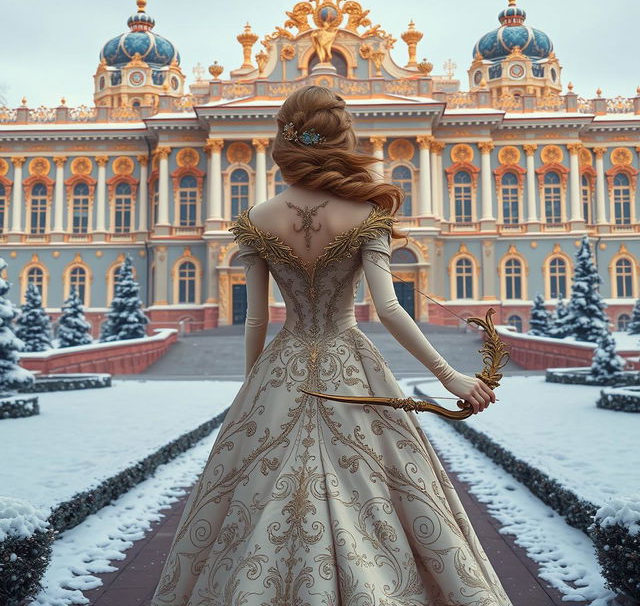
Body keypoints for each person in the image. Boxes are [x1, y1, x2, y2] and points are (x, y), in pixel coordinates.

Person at [150, 85, 511, 606]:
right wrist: (448, 375)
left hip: (283, 365)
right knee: (379, 489)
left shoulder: (255, 217)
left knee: (253, 497)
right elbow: (388, 310)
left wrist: (253, 389)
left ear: (284, 141)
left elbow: (256, 317)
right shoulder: (367, 213)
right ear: (344, 139)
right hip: (349, 361)